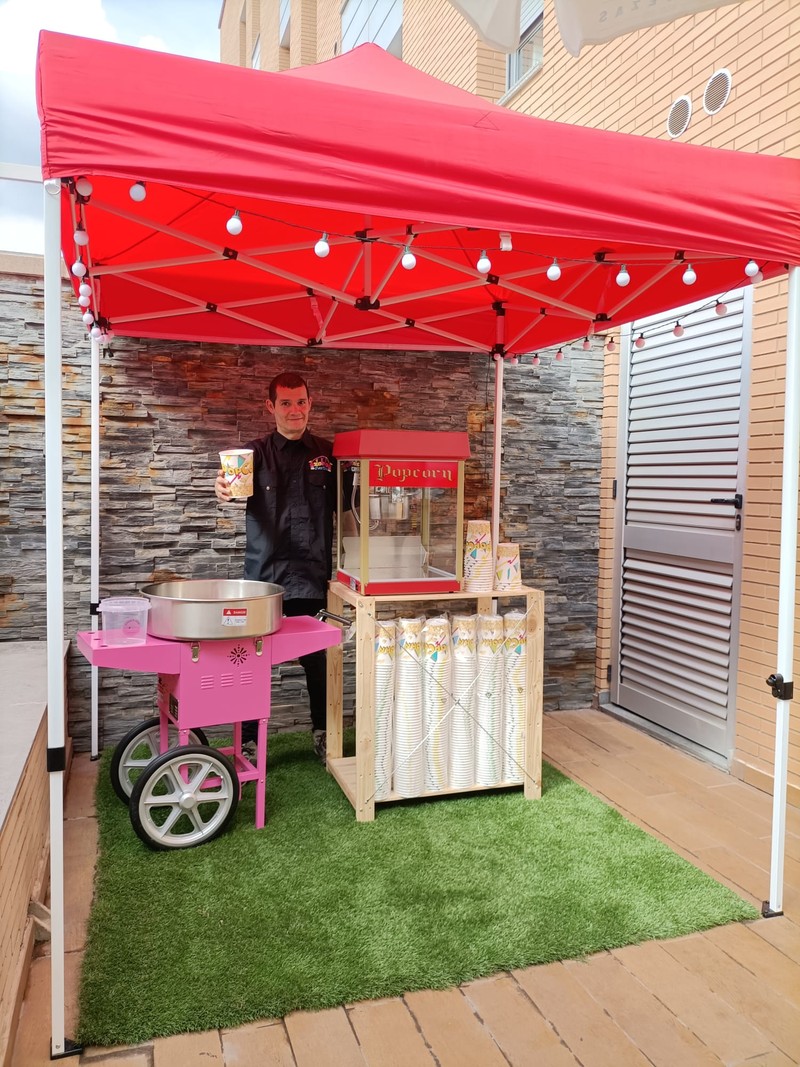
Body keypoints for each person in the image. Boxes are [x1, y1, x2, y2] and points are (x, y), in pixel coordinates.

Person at [214, 371, 350, 764]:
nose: (295, 410)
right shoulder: (253, 455)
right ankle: (250, 741)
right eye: (286, 403)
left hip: (312, 576)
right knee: (251, 661)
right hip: (264, 580)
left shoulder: (329, 456)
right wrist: (221, 489)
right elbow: (228, 488)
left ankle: (323, 734)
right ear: (270, 406)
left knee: (318, 660)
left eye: (301, 402)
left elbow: (350, 508)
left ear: (310, 403)